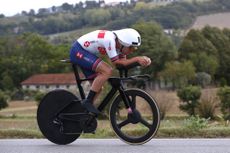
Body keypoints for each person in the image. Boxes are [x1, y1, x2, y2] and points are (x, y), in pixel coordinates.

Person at [69, 28, 151, 114]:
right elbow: (117, 63)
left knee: (98, 88)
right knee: (107, 70)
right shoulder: (110, 40)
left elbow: (122, 65)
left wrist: (140, 62)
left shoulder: (120, 46)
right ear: (124, 43)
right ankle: (88, 101)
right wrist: (137, 59)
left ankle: (81, 115)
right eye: (131, 48)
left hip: (85, 53)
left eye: (134, 49)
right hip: (78, 51)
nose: (131, 51)